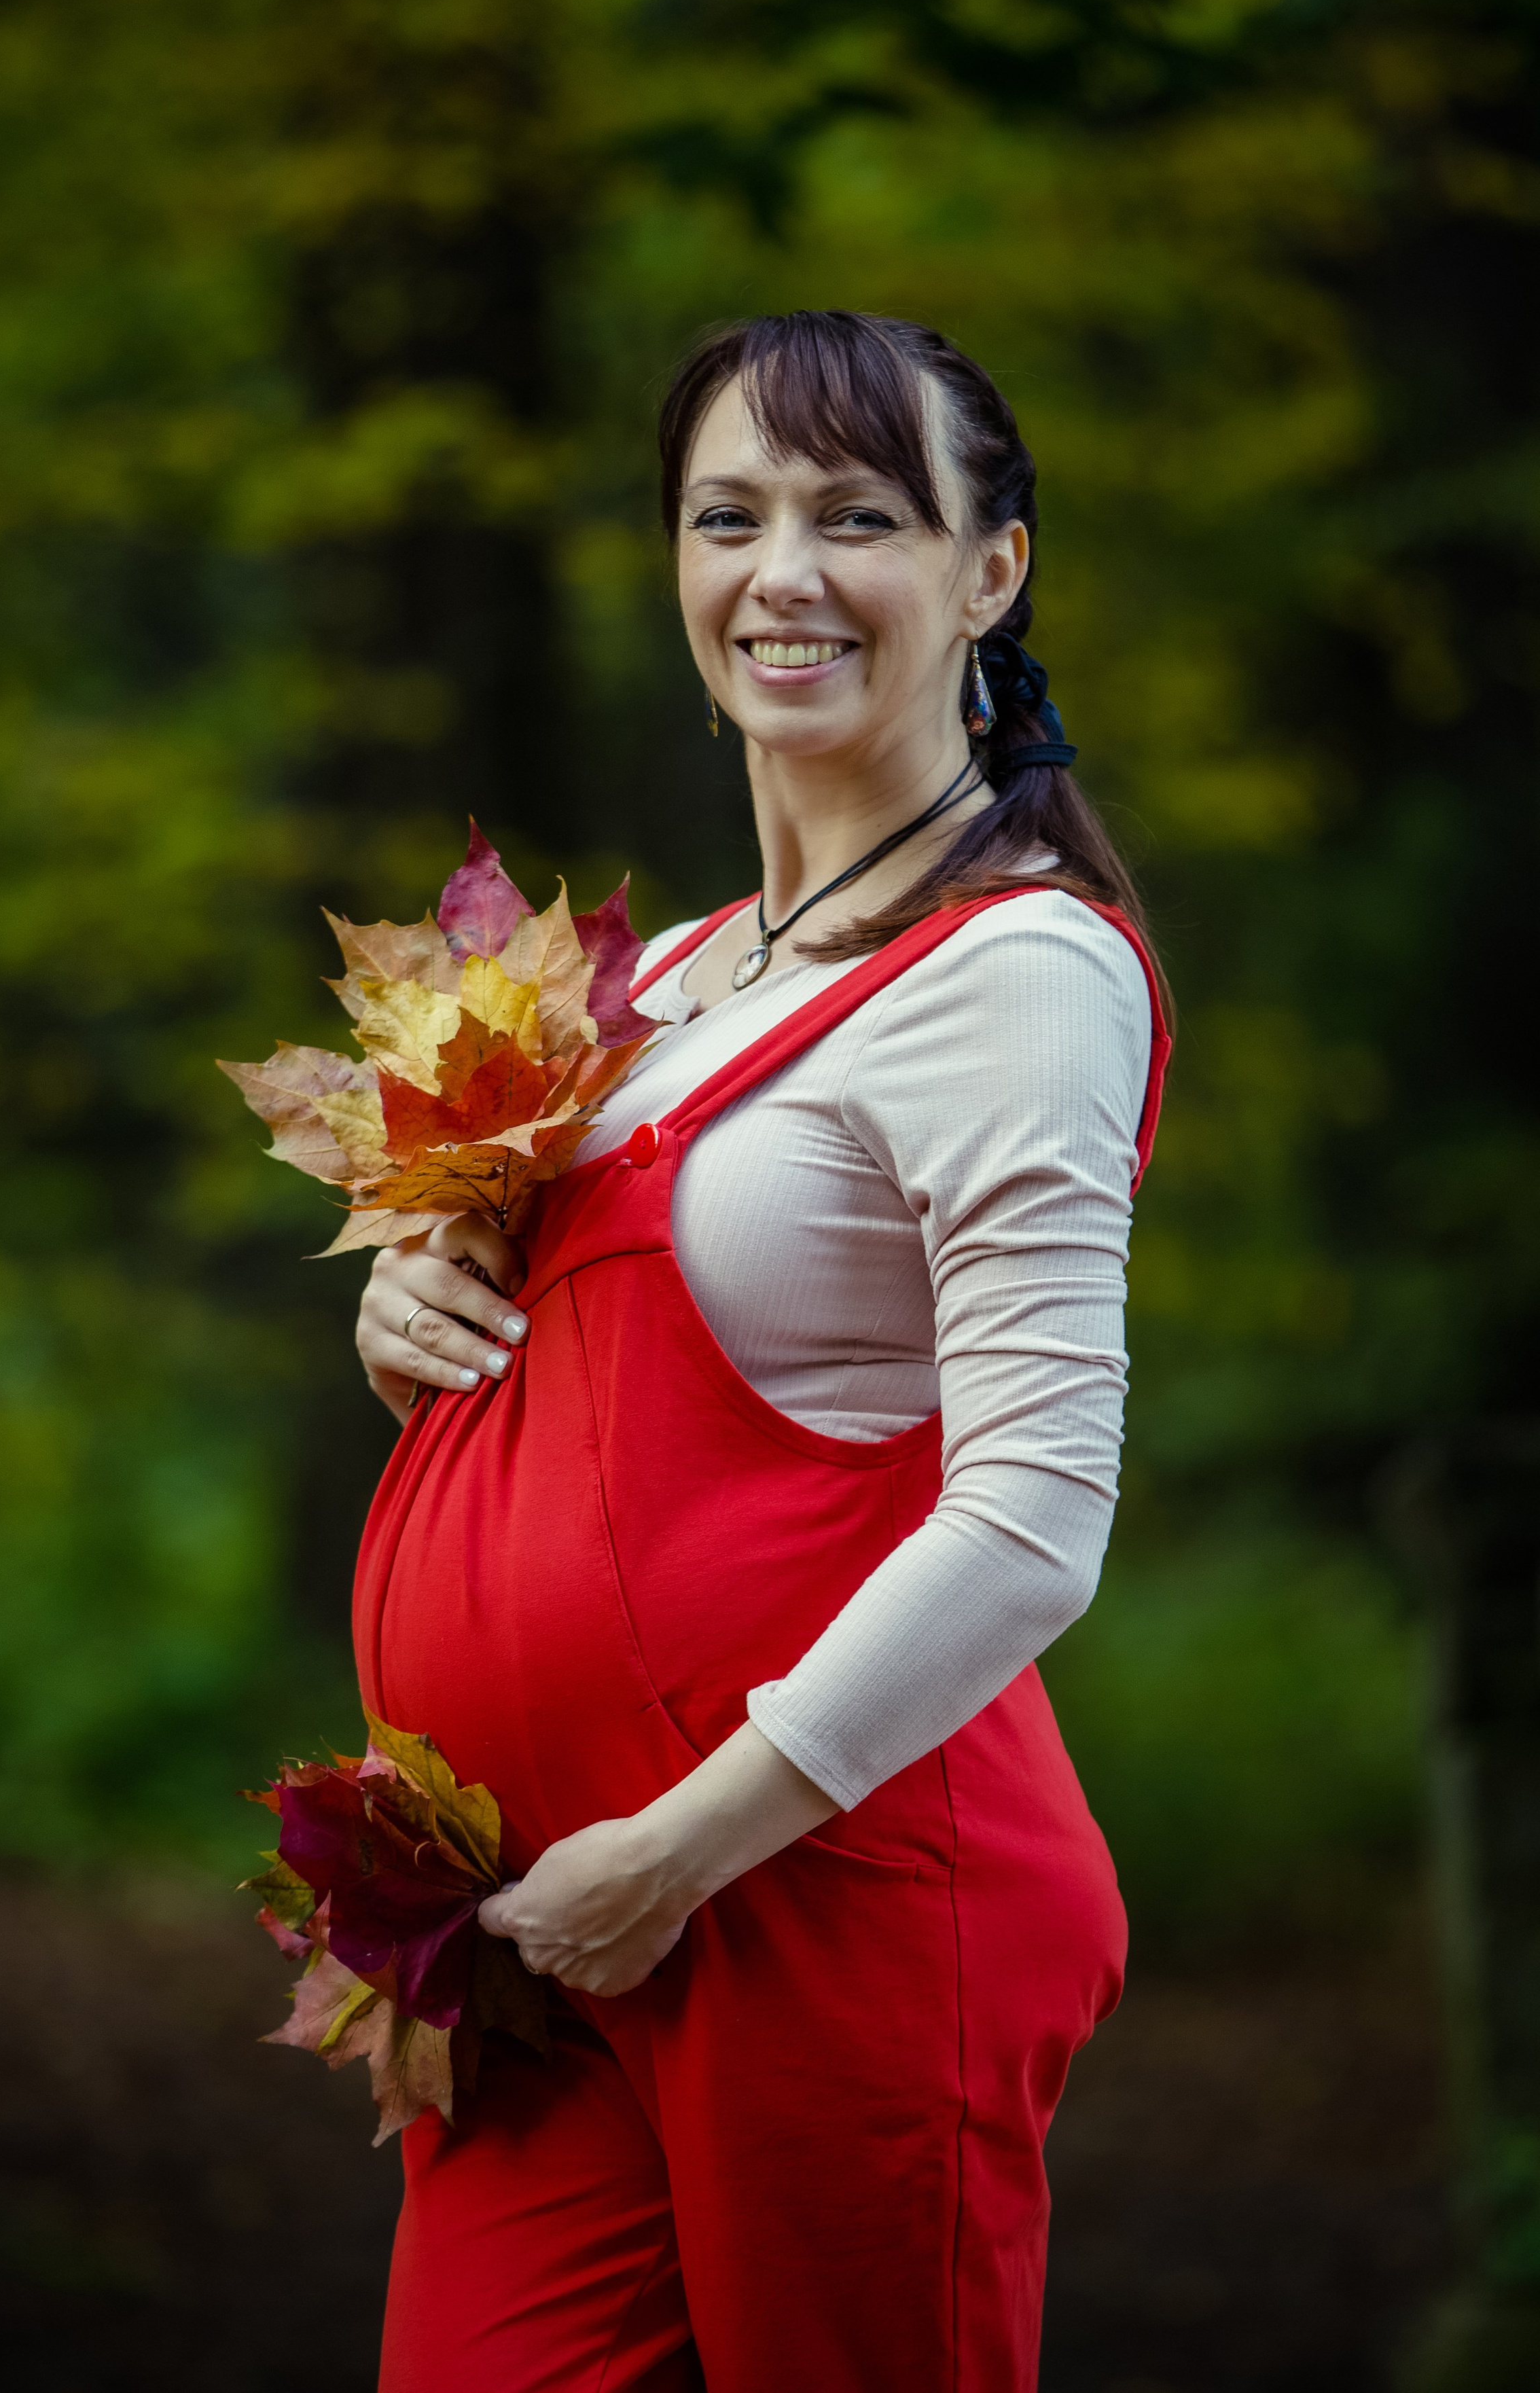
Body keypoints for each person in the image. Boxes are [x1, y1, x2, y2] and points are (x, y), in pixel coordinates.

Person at [351, 309, 1170, 2393]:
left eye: (858, 517)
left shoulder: (1017, 972)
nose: (781, 572)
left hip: (826, 1902)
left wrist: (681, 1850)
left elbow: (1036, 1516)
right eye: (729, 518)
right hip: (544, 1927)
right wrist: (415, 1315)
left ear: (991, 571)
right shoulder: (671, 980)